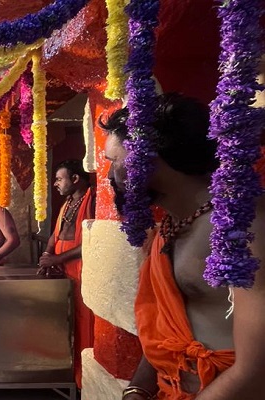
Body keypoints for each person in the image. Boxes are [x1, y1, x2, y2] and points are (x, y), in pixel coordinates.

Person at [101, 93, 265, 399]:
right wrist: (137, 389)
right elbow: (164, 329)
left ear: (146, 158)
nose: (110, 175)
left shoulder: (244, 224)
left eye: (113, 160)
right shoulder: (171, 225)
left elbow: (256, 372)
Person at [38, 158, 95, 389]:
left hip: (81, 272)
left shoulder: (92, 198)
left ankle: (83, 381)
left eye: (59, 179)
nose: (55, 184)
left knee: (83, 323)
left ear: (75, 179)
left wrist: (58, 258)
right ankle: (67, 371)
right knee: (65, 322)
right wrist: (46, 255)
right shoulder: (68, 202)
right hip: (64, 271)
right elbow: (56, 234)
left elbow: (92, 240)